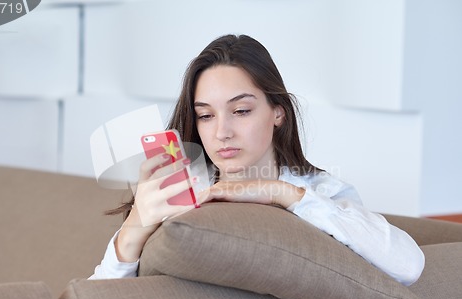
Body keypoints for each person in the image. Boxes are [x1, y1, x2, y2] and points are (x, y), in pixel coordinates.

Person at [91, 34, 424, 285]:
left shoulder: (319, 191)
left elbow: (408, 266)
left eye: (240, 111)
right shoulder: (181, 190)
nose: (222, 132)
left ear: (277, 112)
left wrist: (281, 194)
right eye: (205, 116)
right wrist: (133, 228)